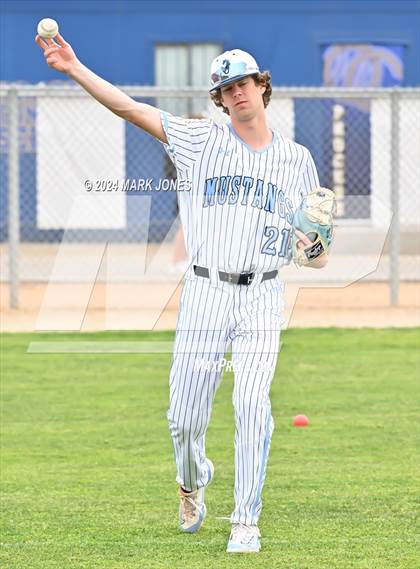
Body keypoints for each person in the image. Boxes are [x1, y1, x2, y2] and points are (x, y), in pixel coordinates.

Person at [36, 35, 328, 553]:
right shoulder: (199, 140)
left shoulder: (299, 161)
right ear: (219, 98)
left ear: (263, 87)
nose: (237, 93)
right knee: (185, 418)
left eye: (244, 83)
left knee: (252, 402)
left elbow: (317, 251)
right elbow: (128, 108)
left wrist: (313, 246)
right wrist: (75, 67)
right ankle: (192, 482)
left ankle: (246, 521)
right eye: (226, 88)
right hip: (204, 292)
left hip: (262, 294)